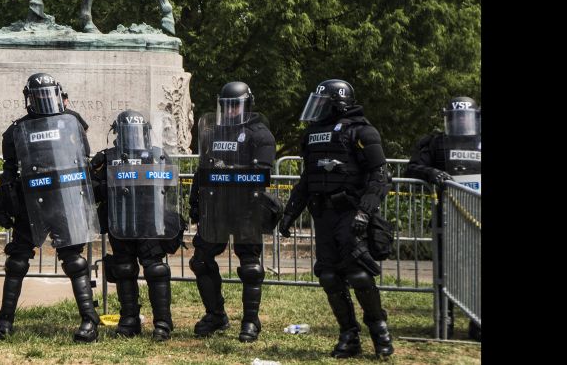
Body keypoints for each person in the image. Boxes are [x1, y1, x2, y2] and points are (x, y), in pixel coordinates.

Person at [278, 79, 394, 358]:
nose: (316, 110)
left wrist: (365, 211)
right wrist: (290, 213)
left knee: (358, 275)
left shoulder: (362, 132)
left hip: (351, 213)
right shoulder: (312, 135)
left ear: (338, 103)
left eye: (322, 104)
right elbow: (308, 179)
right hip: (324, 215)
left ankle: (380, 334)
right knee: (329, 276)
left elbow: (381, 175)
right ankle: (349, 335)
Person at [0, 72, 101, 342]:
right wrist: (4, 205)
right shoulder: (16, 129)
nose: (43, 99)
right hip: (31, 204)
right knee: (17, 262)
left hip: (63, 200)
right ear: (28, 98)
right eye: (38, 95)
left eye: (47, 94)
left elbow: (82, 159)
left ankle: (90, 320)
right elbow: (8, 174)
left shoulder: (71, 121)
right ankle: (4, 321)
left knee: (74, 262)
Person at [189, 82, 278, 342]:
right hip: (216, 207)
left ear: (247, 105)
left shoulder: (260, 134)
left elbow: (262, 172)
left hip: (246, 209)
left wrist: (232, 170)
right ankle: (216, 315)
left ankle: (251, 321)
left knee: (250, 267)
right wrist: (195, 203)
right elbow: (202, 169)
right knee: (201, 261)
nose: (229, 111)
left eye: (234, 105)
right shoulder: (213, 133)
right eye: (225, 106)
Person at [91, 110, 183, 341]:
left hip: (149, 222)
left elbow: (169, 184)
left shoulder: (156, 156)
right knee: (124, 269)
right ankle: (129, 319)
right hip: (120, 221)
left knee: (155, 269)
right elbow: (92, 190)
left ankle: (162, 322)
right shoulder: (107, 158)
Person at [404, 96, 481, 341]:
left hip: (478, 217)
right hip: (447, 217)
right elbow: (412, 168)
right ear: (448, 117)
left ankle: (477, 323)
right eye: (455, 116)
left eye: (464, 116)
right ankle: (444, 321)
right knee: (444, 273)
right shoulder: (436, 142)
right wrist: (431, 172)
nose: (460, 120)